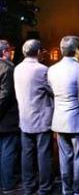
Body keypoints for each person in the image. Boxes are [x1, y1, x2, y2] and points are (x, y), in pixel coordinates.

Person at [48, 36, 79, 194]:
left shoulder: (52, 70)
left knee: (64, 158)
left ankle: (67, 190)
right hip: (78, 120)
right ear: (78, 49)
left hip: (59, 120)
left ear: (61, 50)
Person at [14, 39, 54, 195]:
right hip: (42, 118)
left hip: (24, 118)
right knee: (44, 154)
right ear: (38, 52)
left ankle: (28, 187)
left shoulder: (17, 68)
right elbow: (52, 90)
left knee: (27, 154)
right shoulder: (42, 69)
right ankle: (44, 188)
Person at [0, 40, 20, 193]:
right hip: (6, 118)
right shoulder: (7, 68)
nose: (11, 53)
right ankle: (7, 183)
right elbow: (6, 94)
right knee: (8, 151)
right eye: (9, 51)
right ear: (4, 52)